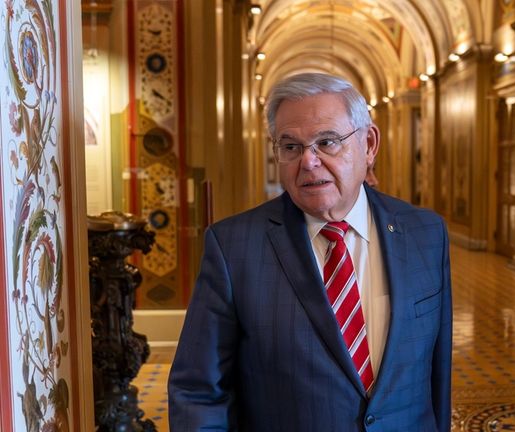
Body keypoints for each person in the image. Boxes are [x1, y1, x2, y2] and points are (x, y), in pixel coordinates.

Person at [168, 72, 452, 431]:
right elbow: (198, 392)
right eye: (291, 147)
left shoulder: (426, 234)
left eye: (328, 142)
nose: (309, 162)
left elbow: (437, 378)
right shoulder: (234, 248)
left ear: (369, 144)